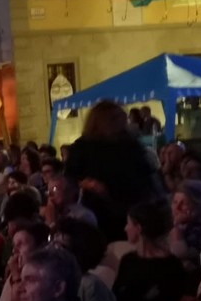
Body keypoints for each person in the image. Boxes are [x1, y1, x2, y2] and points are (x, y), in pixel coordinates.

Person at [65, 100, 160, 240]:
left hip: (130, 207)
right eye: (115, 119)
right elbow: (70, 178)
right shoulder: (83, 147)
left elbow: (145, 175)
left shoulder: (130, 145)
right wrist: (89, 184)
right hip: (98, 211)